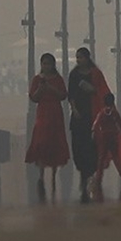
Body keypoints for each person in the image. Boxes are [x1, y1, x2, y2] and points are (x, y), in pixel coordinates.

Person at [68, 47, 114, 203]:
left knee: (91, 147)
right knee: (78, 147)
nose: (78, 60)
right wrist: (74, 109)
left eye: (81, 57)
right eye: (77, 57)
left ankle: (90, 175)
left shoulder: (96, 74)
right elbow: (71, 94)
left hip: (93, 114)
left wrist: (93, 90)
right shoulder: (74, 75)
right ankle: (83, 174)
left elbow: (104, 92)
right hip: (78, 116)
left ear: (87, 58)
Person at [25, 52, 70, 202]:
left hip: (55, 112)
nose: (46, 66)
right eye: (44, 64)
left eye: (48, 64)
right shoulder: (37, 80)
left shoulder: (58, 79)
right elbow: (33, 97)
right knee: (41, 141)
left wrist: (50, 88)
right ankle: (41, 173)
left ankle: (54, 174)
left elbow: (63, 95)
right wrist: (41, 88)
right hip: (43, 112)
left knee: (54, 141)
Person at [90, 93, 121, 203]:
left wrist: (93, 134)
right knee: (116, 157)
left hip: (104, 137)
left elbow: (95, 124)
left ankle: (98, 179)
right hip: (113, 137)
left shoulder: (102, 113)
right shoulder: (114, 113)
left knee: (101, 159)